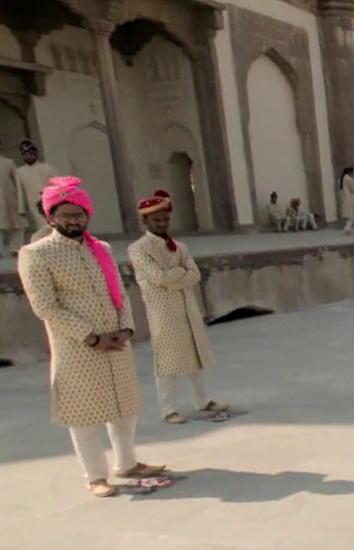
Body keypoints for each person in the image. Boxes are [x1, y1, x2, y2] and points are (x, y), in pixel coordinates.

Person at [17, 177, 166, 498]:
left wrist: (126, 329)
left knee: (124, 405)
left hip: (116, 340)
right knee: (84, 413)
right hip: (76, 346)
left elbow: (120, 294)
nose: (73, 221)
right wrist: (92, 338)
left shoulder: (102, 249)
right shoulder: (36, 254)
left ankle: (127, 463)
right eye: (65, 215)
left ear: (88, 215)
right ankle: (96, 476)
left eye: (79, 214)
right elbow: (45, 306)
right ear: (50, 218)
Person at [128, 189, 229, 424]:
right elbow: (158, 278)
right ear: (146, 221)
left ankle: (202, 400)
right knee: (168, 362)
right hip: (163, 311)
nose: (162, 224)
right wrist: (179, 273)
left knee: (195, 355)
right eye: (156, 220)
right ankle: (168, 409)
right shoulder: (138, 249)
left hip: (187, 308)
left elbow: (194, 275)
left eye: (165, 219)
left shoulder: (180, 247)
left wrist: (173, 276)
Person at [14, 140, 57, 242]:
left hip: (50, 201)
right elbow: (20, 191)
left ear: (36, 154)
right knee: (41, 225)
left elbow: (56, 185)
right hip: (33, 202)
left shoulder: (47, 168)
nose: (28, 156)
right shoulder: (19, 172)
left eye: (31, 154)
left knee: (54, 222)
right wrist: (21, 208)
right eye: (25, 154)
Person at [0, 139, 20, 256]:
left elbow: (16, 181)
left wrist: (19, 197)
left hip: (9, 197)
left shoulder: (8, 162)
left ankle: (15, 248)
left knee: (15, 223)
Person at [339, 167, 354, 234]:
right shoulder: (349, 179)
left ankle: (349, 229)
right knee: (353, 215)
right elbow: (353, 188)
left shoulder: (343, 178)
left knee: (349, 215)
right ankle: (347, 228)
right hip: (349, 198)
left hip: (345, 198)